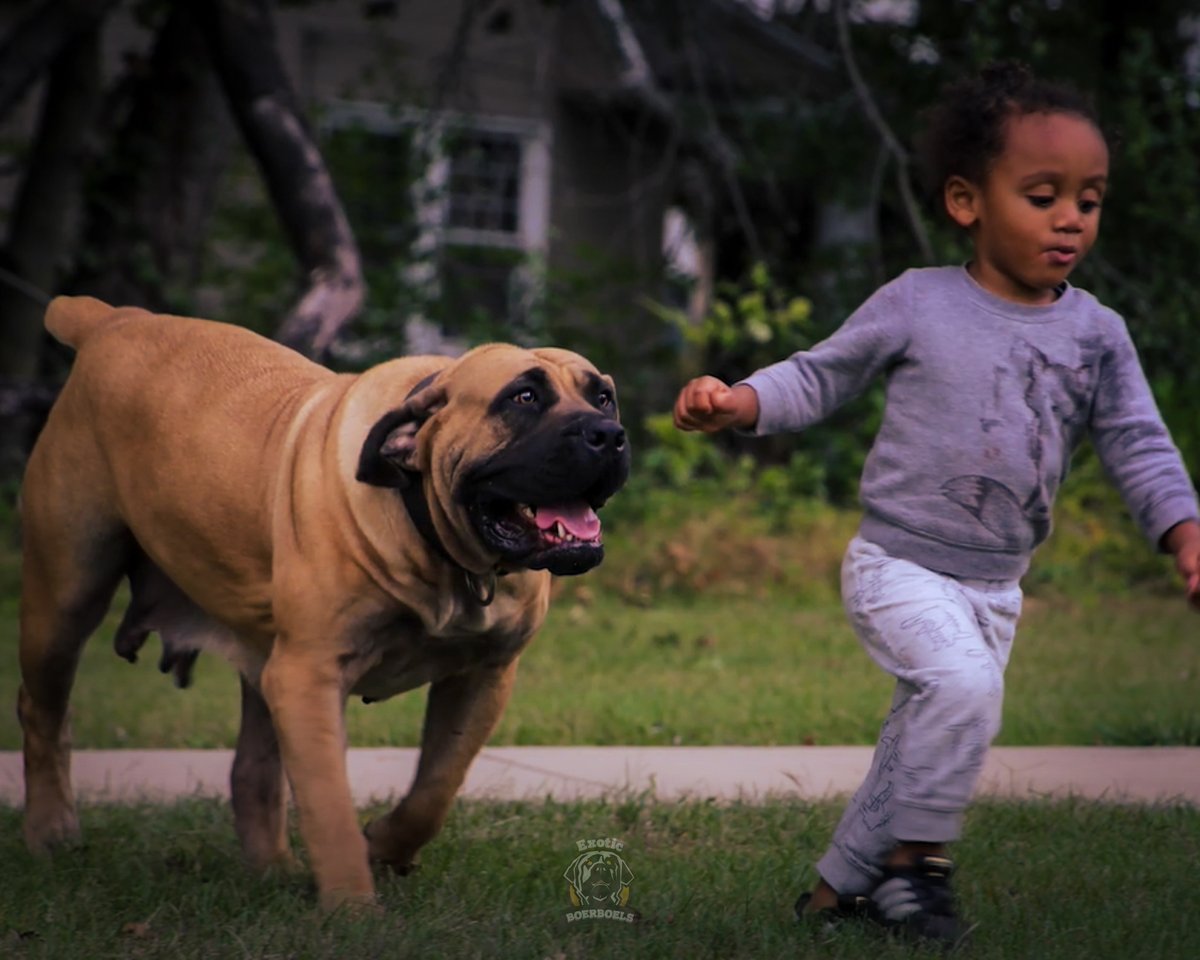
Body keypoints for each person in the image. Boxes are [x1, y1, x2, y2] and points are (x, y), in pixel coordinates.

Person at [673, 61, 1200, 947]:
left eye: (1090, 199)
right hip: (899, 564)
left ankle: (835, 894)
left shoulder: (1097, 335)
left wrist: (1185, 531)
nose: (1071, 217)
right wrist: (740, 401)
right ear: (968, 201)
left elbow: (1139, 442)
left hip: (996, 587)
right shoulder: (919, 302)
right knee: (961, 690)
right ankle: (915, 873)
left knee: (919, 741)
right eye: (1043, 195)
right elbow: (819, 375)